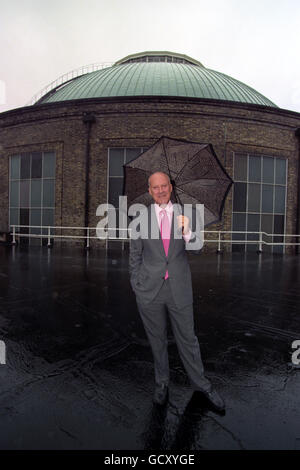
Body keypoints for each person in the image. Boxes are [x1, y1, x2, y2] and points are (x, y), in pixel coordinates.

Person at [129, 171, 225, 412]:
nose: (160, 190)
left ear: (170, 187)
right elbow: (135, 256)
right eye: (155, 187)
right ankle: (161, 383)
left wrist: (187, 231)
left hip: (179, 289)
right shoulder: (139, 219)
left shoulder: (187, 213)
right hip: (149, 291)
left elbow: (197, 248)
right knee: (157, 341)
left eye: (164, 186)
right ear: (149, 191)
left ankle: (202, 385)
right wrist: (137, 286)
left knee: (188, 339)